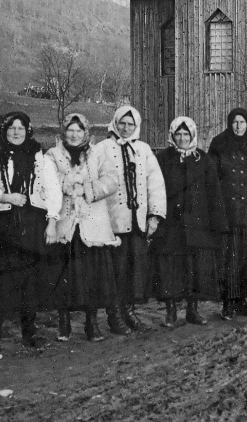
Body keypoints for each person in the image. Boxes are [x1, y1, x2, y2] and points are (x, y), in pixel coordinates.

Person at [0, 111, 62, 358]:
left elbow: (52, 189)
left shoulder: (39, 156)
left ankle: (29, 332)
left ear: (28, 131)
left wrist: (52, 221)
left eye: (21, 128)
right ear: (3, 131)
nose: (16, 132)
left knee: (29, 280)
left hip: (30, 224)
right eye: (11, 128)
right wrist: (4, 196)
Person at [45, 113, 128, 342]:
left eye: (79, 130)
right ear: (64, 132)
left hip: (93, 223)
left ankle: (92, 324)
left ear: (86, 132)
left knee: (92, 277)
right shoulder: (53, 155)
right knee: (65, 277)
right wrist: (67, 184)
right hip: (66, 223)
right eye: (70, 130)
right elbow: (46, 181)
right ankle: (64, 324)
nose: (74, 134)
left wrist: (89, 189)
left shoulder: (98, 153)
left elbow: (112, 180)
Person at [151, 116, 228, 326]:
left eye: (186, 134)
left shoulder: (203, 159)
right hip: (171, 224)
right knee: (171, 267)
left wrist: (218, 223)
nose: (183, 138)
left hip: (198, 223)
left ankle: (193, 310)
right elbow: (155, 189)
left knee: (195, 267)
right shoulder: (163, 158)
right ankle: (171, 312)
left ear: (192, 135)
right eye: (179, 134)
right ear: (173, 135)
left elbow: (214, 192)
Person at [96, 105, 167, 331]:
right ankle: (114, 314)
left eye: (131, 124)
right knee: (114, 270)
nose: (126, 128)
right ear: (115, 123)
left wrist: (154, 216)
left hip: (137, 221)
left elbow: (155, 183)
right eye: (122, 123)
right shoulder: (102, 148)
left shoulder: (144, 150)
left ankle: (128, 310)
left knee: (134, 268)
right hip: (113, 222)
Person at [209, 108, 247, 320]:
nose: (238, 126)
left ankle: (242, 300)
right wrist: (216, 209)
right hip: (227, 210)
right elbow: (213, 181)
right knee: (228, 258)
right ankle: (228, 302)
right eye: (234, 122)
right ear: (229, 123)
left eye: (242, 122)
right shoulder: (218, 144)